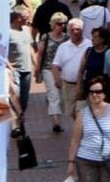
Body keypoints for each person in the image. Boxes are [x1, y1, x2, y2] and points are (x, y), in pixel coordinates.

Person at [34, 13, 71, 134]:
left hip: (63, 69)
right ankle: (56, 122)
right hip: (48, 69)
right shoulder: (46, 37)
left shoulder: (66, 38)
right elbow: (40, 54)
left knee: (63, 95)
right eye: (60, 24)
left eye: (64, 23)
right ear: (54, 25)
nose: (63, 26)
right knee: (53, 95)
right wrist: (37, 69)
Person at [52, 18, 89, 121]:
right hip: (68, 85)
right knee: (73, 113)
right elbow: (55, 65)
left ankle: (82, 135)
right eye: (72, 30)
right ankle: (79, 134)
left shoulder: (89, 45)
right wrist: (57, 79)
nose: (74, 32)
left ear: (82, 30)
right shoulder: (63, 47)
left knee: (81, 113)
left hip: (84, 85)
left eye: (77, 29)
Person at [9, 8, 35, 138]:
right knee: (15, 97)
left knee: (24, 100)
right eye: (26, 16)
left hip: (27, 70)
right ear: (18, 18)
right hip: (14, 70)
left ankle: (20, 122)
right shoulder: (8, 32)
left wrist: (36, 65)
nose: (28, 18)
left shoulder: (26, 30)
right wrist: (10, 67)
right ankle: (16, 126)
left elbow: (29, 48)